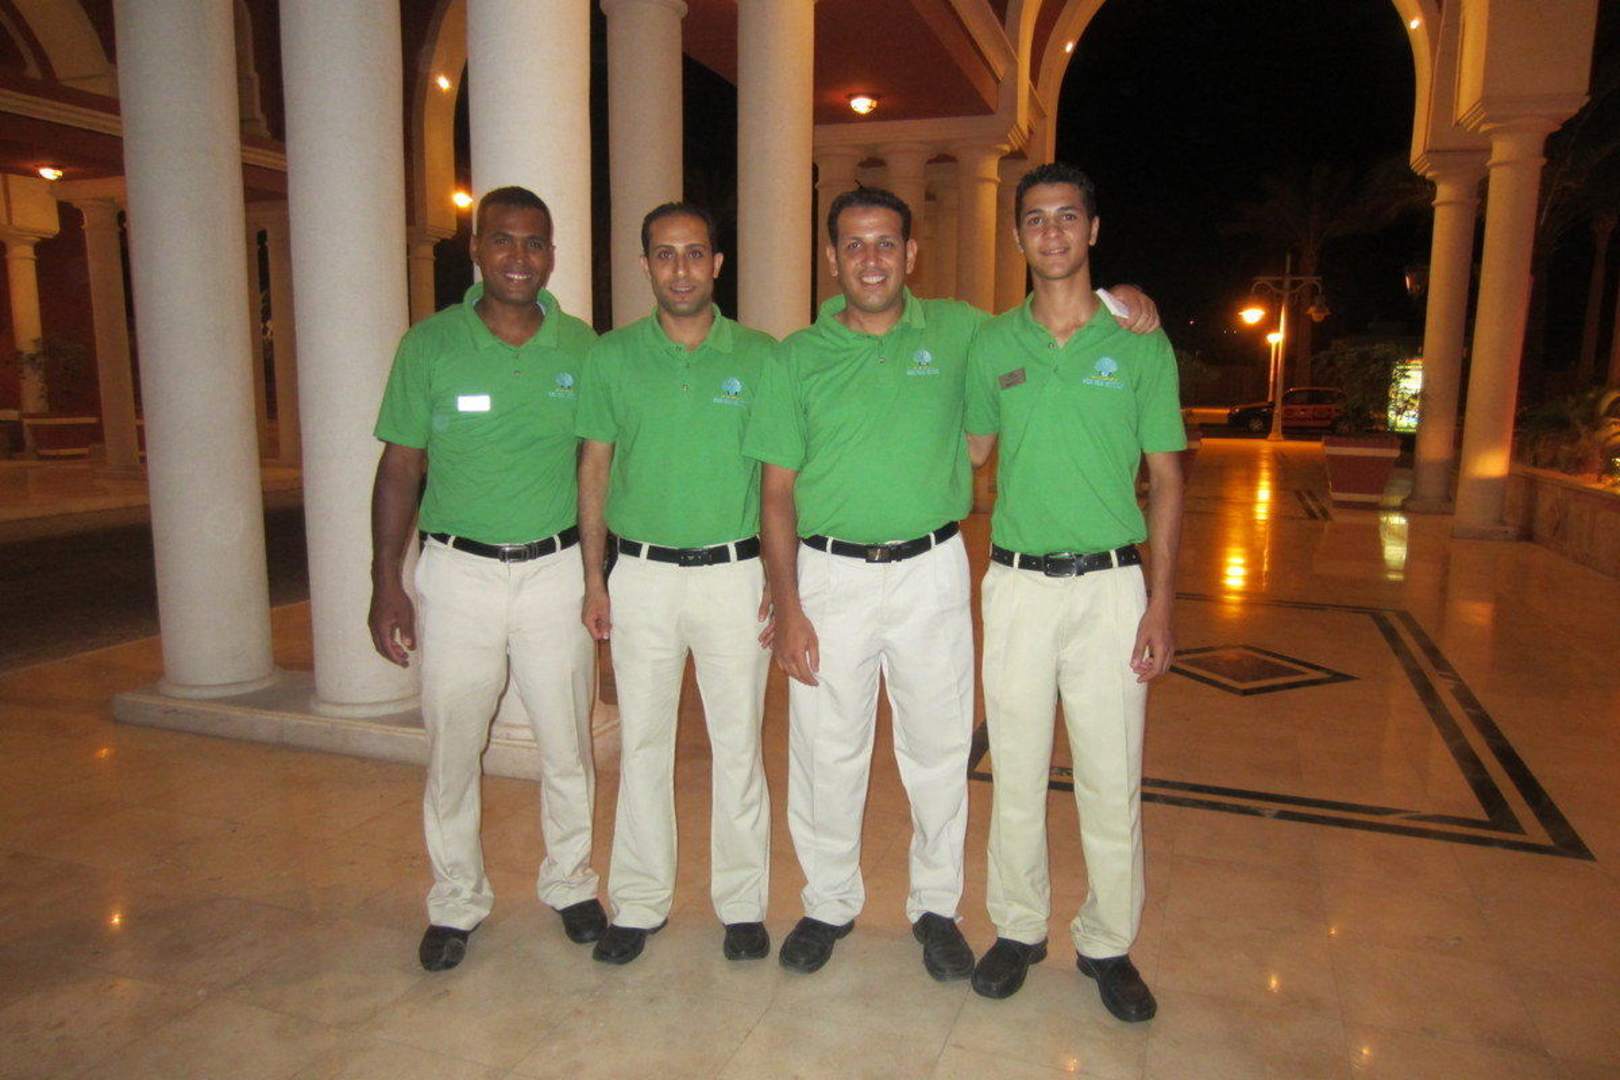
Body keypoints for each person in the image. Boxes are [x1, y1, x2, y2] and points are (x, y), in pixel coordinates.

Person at [743, 186, 1161, 980]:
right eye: (854, 244)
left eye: (886, 243)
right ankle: (828, 902)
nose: (871, 259)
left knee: (937, 748)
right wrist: (788, 602)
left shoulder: (964, 331)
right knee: (826, 749)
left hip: (931, 570)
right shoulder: (796, 357)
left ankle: (936, 907)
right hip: (828, 573)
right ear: (831, 258)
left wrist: (1122, 298)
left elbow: (1048, 312)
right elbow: (775, 493)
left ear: (912, 253)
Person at [963, 162, 1184, 1021]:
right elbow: (969, 448)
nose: (1050, 233)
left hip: (1111, 588)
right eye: (1034, 219)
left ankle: (1108, 942)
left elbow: (1168, 478)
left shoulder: (1139, 340)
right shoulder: (992, 344)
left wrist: (1160, 602)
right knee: (1015, 768)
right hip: (1017, 585)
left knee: (1109, 774)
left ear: (1092, 230)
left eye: (1066, 217)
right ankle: (1018, 928)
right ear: (1017, 235)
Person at [369, 185, 607, 972]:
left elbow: (599, 467)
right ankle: (456, 899)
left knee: (567, 744)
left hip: (555, 573)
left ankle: (570, 883)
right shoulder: (429, 346)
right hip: (458, 574)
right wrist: (386, 578)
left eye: (535, 242)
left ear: (552, 254)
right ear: (475, 249)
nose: (519, 257)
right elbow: (400, 467)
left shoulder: (582, 349)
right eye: (503, 240)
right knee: (453, 748)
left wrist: (599, 576)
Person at [575, 202, 776, 965]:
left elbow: (778, 479)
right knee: (643, 745)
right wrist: (595, 579)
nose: (681, 269)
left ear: (717, 264)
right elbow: (594, 468)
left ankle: (742, 904)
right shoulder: (612, 357)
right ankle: (638, 901)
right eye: (665, 254)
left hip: (736, 574)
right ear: (645, 266)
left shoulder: (760, 357)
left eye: (695, 254)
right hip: (643, 577)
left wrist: (778, 577)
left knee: (738, 746)